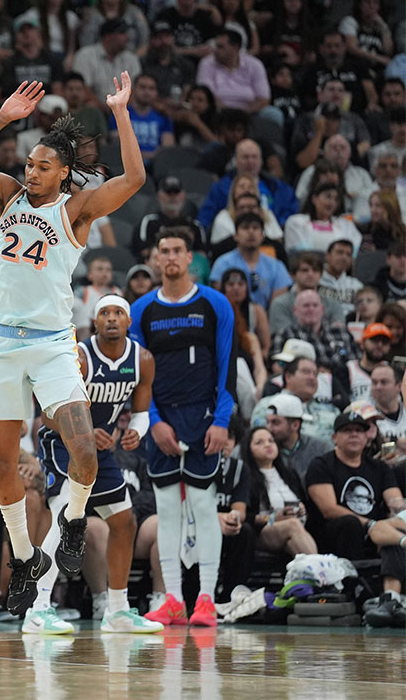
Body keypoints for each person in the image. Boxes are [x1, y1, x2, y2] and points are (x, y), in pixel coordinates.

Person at [0, 71, 146, 616]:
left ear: (63, 174)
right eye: (28, 164)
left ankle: (74, 520)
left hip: (55, 345)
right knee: (4, 468)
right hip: (2, 347)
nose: (31, 173)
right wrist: (3, 118)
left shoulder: (75, 210)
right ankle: (27, 558)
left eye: (42, 167)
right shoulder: (5, 194)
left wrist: (121, 112)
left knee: (84, 451)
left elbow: (134, 177)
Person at [25, 295, 163, 635]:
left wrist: (135, 431)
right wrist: (83, 434)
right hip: (62, 442)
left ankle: (117, 610)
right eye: (105, 313)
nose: (112, 318)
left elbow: (142, 412)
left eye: (119, 313)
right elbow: (47, 413)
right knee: (65, 516)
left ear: (129, 322)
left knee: (124, 521)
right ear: (94, 322)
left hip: (99, 449)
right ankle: (38, 607)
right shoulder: (79, 357)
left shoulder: (142, 359)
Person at [131, 227, 236, 628]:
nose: (170, 257)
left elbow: (228, 368)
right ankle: (173, 598)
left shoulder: (215, 304)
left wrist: (222, 421)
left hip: (203, 416)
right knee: (168, 511)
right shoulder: (141, 310)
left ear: (190, 257)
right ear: (156, 258)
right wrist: (153, 421)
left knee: (205, 506)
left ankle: (206, 598)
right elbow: (136, 375)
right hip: (161, 418)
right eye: (164, 251)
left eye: (177, 250)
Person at [305, 411, 406, 628]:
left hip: (376, 533)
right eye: (347, 431)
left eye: (359, 431)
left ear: (366, 436)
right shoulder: (321, 465)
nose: (354, 435)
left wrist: (393, 519)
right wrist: (370, 524)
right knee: (352, 524)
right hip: (334, 534)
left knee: (395, 531)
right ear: (334, 437)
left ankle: (391, 599)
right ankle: (356, 592)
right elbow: (329, 509)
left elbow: (395, 501)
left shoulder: (378, 467)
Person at [242, 426, 318, 558]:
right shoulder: (246, 477)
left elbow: (305, 503)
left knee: (294, 543)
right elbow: (243, 516)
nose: (267, 445)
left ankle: (315, 574)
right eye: (259, 442)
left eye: (271, 440)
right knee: (292, 525)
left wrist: (302, 510)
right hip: (262, 531)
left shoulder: (289, 474)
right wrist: (272, 518)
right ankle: (322, 569)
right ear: (248, 449)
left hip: (297, 530)